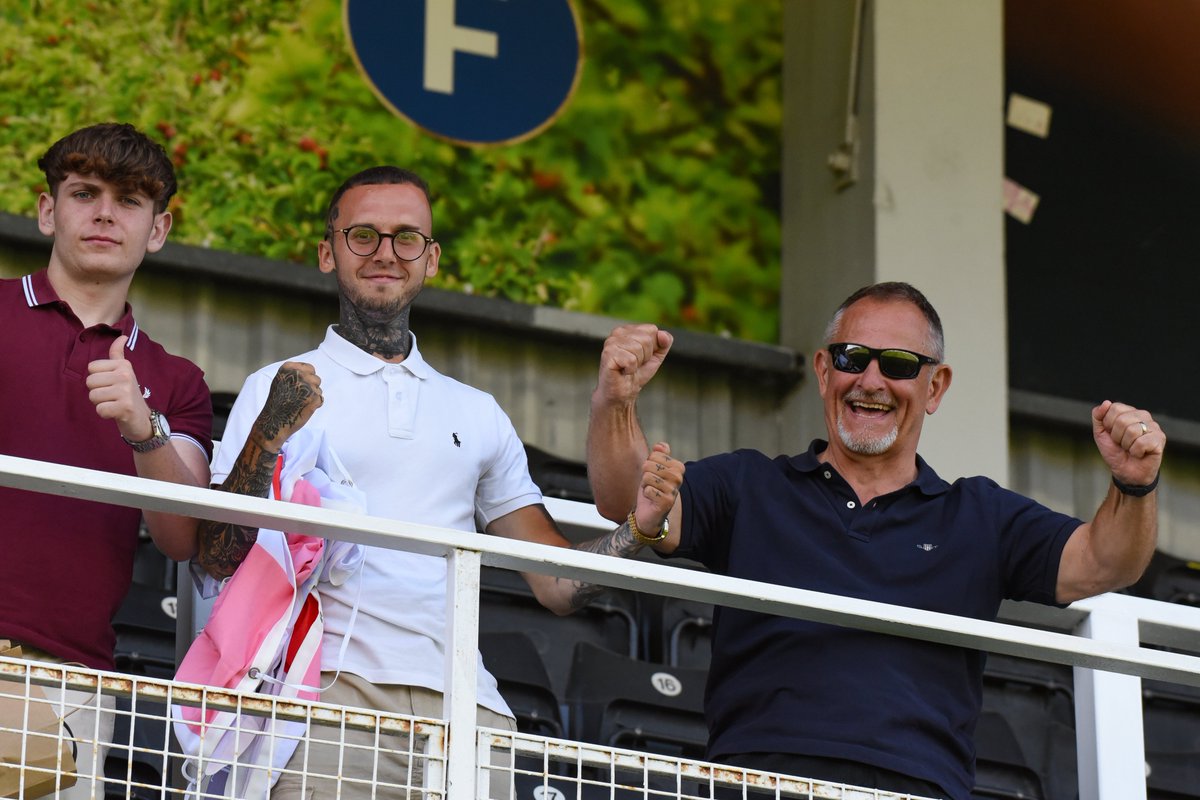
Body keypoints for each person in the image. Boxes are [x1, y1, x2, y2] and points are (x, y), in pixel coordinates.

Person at [197, 165, 681, 799]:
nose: (386, 253)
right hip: (323, 695)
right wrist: (267, 435)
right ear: (327, 252)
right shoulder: (277, 382)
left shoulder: (476, 410)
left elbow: (557, 584)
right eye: (362, 235)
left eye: (407, 238)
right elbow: (214, 556)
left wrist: (639, 529)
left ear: (432, 260)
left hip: (465, 712)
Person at [585, 281, 1164, 800]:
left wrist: (1133, 484)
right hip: (759, 782)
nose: (871, 380)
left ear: (935, 386)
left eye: (898, 364)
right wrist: (617, 398)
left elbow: (1105, 563)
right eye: (852, 357)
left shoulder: (980, 515)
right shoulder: (750, 484)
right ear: (822, 371)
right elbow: (627, 502)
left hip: (917, 789)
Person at [0, 123, 213, 794]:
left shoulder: (176, 380)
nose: (103, 214)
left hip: (71, 680)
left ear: (159, 228)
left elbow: (184, 538)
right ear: (46, 210)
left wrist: (141, 427)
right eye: (84, 192)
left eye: (128, 200)